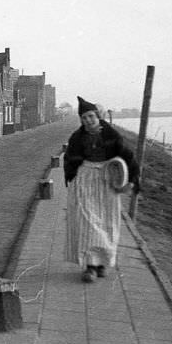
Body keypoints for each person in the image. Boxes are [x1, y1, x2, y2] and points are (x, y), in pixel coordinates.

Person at [63, 96, 140, 283]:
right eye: (84, 118)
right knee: (87, 222)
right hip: (85, 179)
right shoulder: (77, 137)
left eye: (91, 116)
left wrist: (132, 180)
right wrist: (71, 178)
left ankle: (102, 263)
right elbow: (70, 159)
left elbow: (128, 157)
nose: (88, 120)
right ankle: (90, 267)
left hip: (106, 180)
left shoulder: (111, 135)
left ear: (97, 116)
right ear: (81, 120)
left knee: (107, 222)